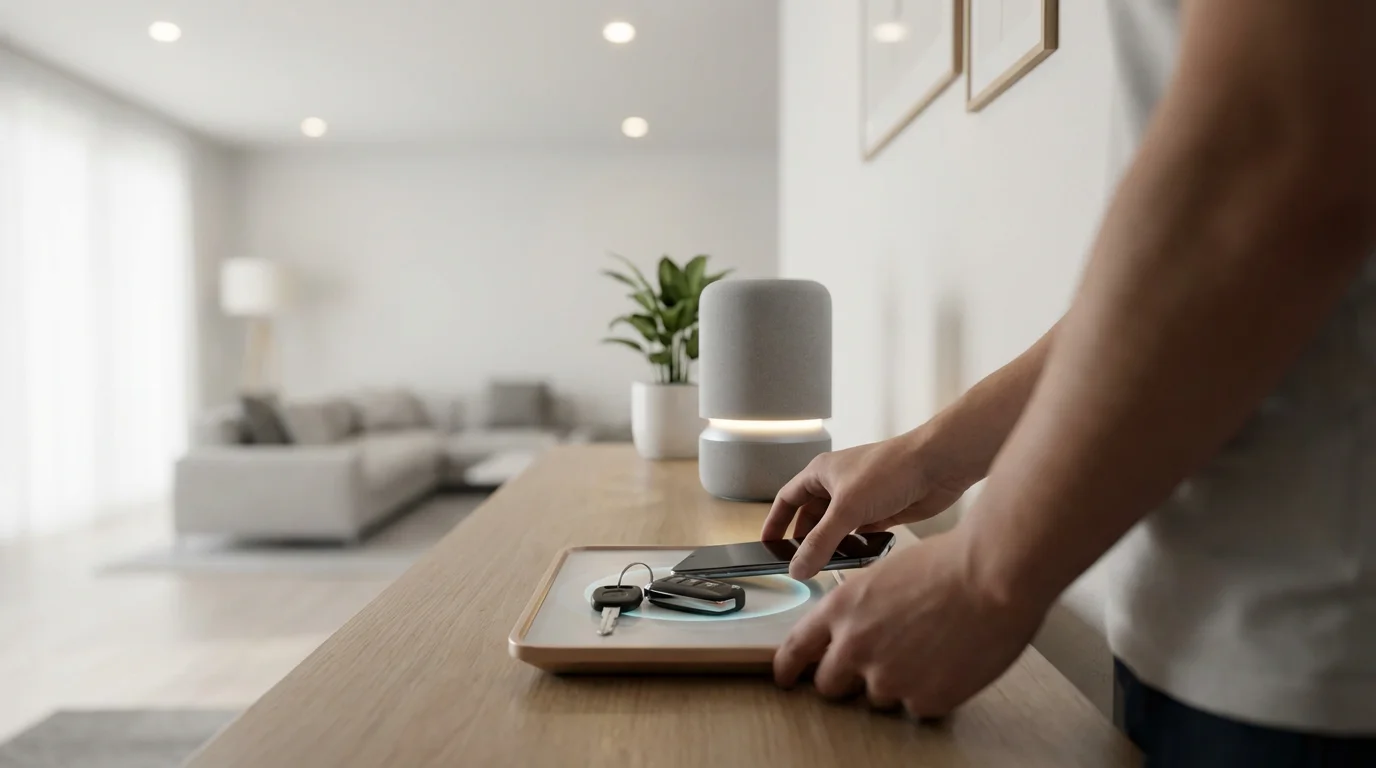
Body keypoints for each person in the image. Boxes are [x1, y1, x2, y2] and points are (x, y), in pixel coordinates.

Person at [762, 1, 1376, 764]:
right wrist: (933, 454)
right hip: (1213, 637)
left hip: (1317, 657)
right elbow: (1170, 286)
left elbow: (1274, 158)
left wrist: (984, 574)